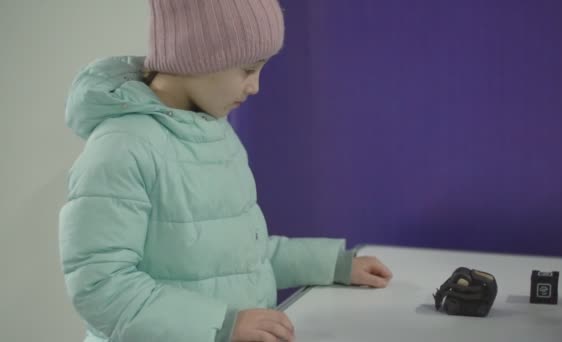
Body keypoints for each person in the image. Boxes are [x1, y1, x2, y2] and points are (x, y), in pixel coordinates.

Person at [58, 1, 393, 341]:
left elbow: (243, 258)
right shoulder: (121, 147)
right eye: (248, 70)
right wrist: (221, 324)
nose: (255, 87)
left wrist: (332, 265)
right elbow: (102, 289)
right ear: (196, 55)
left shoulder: (216, 134)